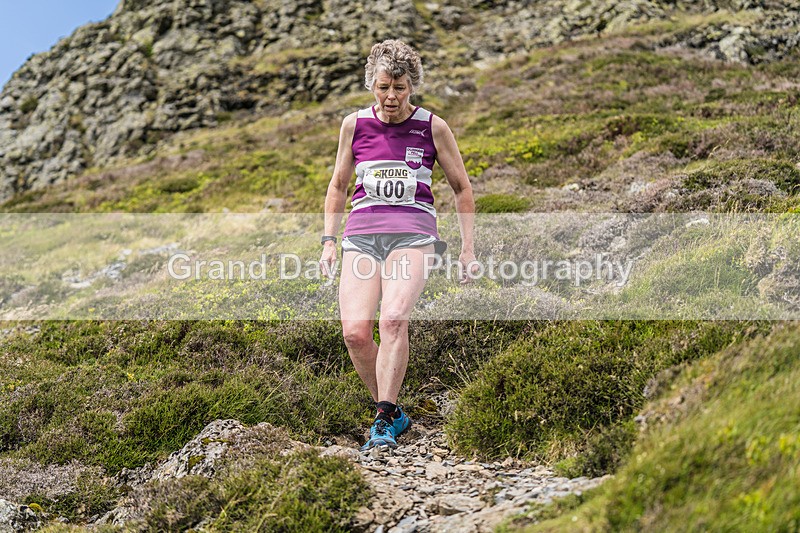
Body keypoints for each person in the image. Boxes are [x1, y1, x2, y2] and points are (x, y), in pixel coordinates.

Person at [319, 39, 477, 451]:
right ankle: (393, 410)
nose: (391, 97)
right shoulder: (354, 125)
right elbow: (338, 185)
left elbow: (461, 188)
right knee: (355, 333)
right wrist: (328, 241)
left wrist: (467, 249)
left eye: (400, 88)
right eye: (383, 87)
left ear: (413, 86)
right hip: (361, 235)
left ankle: (384, 420)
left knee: (391, 320)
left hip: (414, 233)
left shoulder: (432, 127)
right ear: (372, 83)